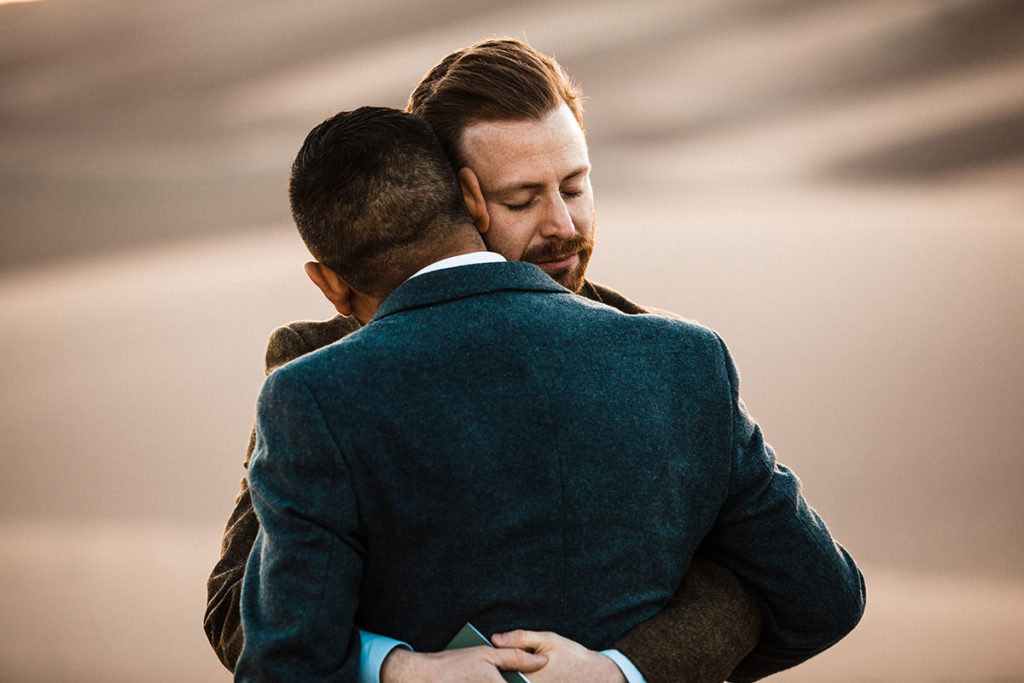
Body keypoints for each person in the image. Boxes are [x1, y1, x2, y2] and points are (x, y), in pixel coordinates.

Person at [233, 105, 864, 683]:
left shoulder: (311, 393)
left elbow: (286, 656)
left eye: (574, 186)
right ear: (473, 200)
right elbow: (822, 598)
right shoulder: (688, 359)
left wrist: (619, 670)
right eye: (522, 198)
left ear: (327, 283)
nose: (561, 225)